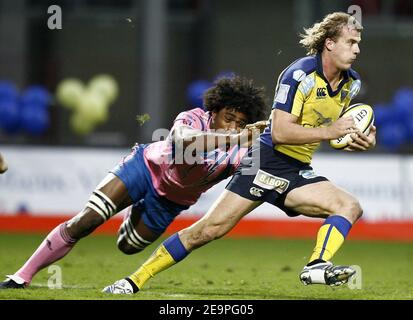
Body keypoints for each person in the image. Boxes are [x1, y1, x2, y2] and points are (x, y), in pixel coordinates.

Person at [103, 12, 377, 294]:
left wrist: (356, 138)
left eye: (358, 43)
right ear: (329, 43)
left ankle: (316, 265)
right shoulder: (300, 74)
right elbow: (282, 133)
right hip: (264, 161)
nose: (357, 49)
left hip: (296, 170)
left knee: (349, 206)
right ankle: (132, 281)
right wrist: (331, 132)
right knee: (208, 230)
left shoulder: (350, 83)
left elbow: (331, 130)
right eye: (351, 42)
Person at [0, 76, 268, 290]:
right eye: (228, 118)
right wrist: (235, 138)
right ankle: (22, 276)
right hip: (145, 167)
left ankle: (134, 208)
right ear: (214, 110)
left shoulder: (245, 152)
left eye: (240, 123)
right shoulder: (194, 117)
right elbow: (183, 141)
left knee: (128, 247)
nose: (233, 126)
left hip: (172, 200)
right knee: (88, 220)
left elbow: (257, 175)